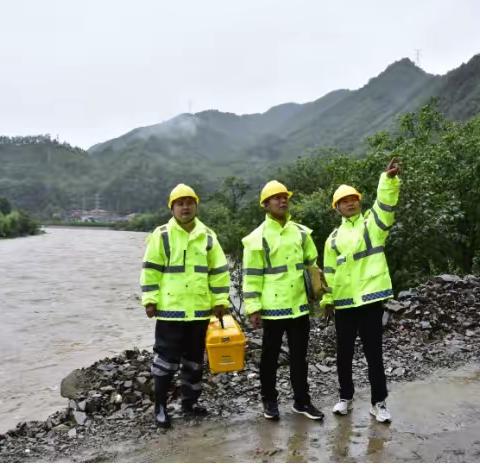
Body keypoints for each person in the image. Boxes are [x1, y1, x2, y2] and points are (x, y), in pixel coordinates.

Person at [140, 183, 230, 428]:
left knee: (194, 361)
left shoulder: (209, 236)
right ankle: (160, 407)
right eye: (180, 203)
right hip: (170, 311)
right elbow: (151, 270)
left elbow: (219, 272)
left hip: (199, 310)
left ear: (196, 206)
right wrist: (150, 300)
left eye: (189, 202)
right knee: (164, 361)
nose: (185, 207)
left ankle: (189, 403)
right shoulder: (162, 235)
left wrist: (220, 301)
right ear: (172, 208)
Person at [321, 158, 400, 423]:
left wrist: (387, 181)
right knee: (343, 355)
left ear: (359, 201)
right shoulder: (332, 239)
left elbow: (385, 207)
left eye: (353, 198)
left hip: (369, 301)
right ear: (337, 208)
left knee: (374, 355)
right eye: (344, 201)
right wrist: (327, 299)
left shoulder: (372, 226)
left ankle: (379, 403)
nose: (350, 203)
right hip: (343, 305)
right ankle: (345, 397)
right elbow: (328, 273)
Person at [242, 180, 324, 421]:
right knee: (270, 357)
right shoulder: (257, 237)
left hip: (299, 305)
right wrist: (253, 307)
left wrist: (320, 291)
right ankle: (269, 400)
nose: (282, 200)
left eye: (284, 196)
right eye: (276, 197)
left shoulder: (300, 232)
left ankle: (302, 401)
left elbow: (312, 264)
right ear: (265, 205)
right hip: (273, 308)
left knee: (300, 356)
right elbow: (252, 276)